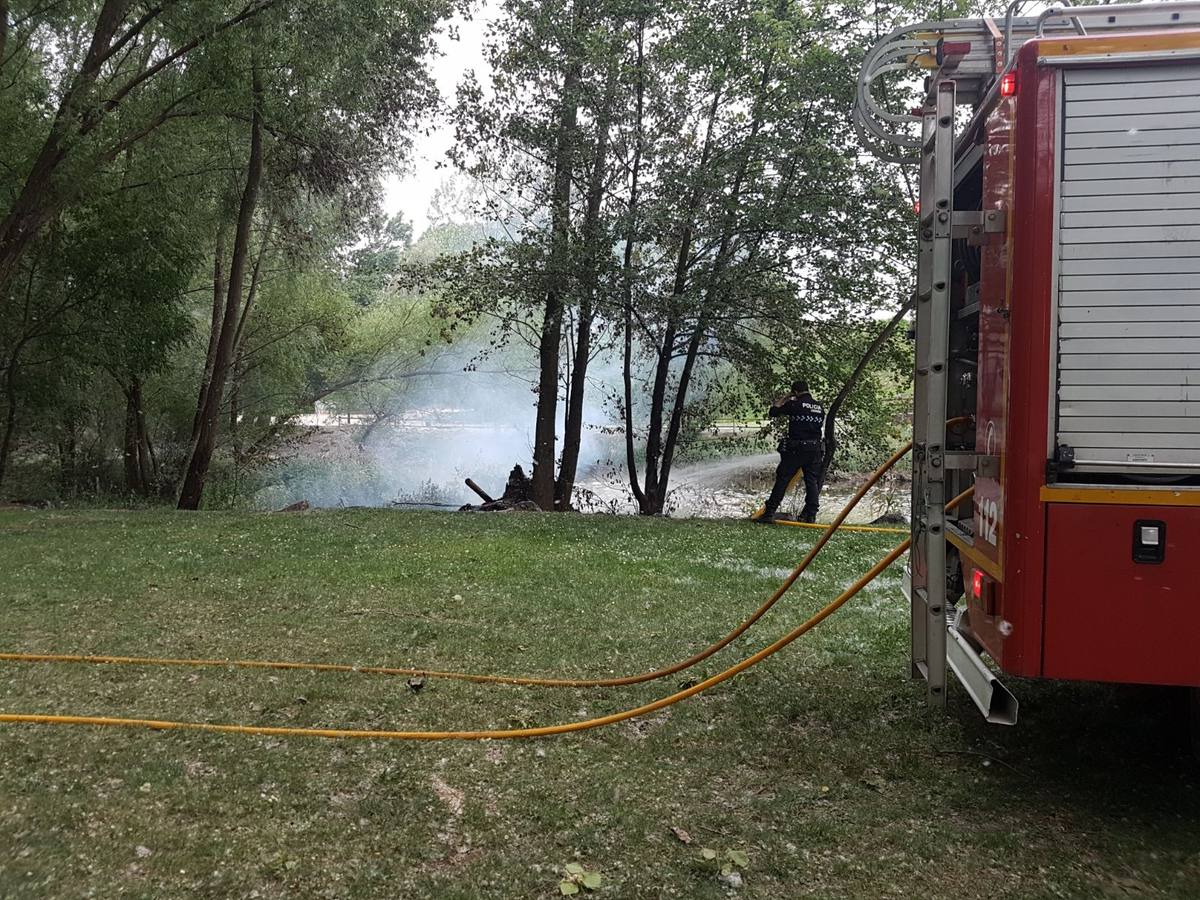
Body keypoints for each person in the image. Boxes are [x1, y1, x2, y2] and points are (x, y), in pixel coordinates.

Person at [755, 380, 824, 524]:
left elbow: (773, 412)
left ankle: (769, 513)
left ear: (795, 392)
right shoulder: (819, 407)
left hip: (796, 449)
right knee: (811, 481)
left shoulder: (794, 404)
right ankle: (810, 515)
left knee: (783, 478)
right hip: (815, 449)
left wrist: (785, 398)